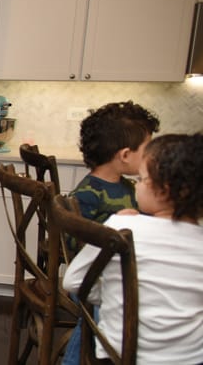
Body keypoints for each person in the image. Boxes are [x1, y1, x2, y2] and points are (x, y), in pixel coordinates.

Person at [63, 133, 203, 363]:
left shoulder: (123, 225)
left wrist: (113, 295)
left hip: (117, 353)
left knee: (99, 308)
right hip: (189, 360)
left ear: (163, 190)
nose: (136, 186)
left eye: (141, 179)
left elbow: (73, 282)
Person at [62, 100, 160, 365]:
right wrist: (109, 232)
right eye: (147, 149)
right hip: (95, 278)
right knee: (93, 318)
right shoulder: (88, 194)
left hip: (121, 273)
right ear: (125, 155)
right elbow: (74, 243)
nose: (151, 156)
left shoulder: (131, 189)